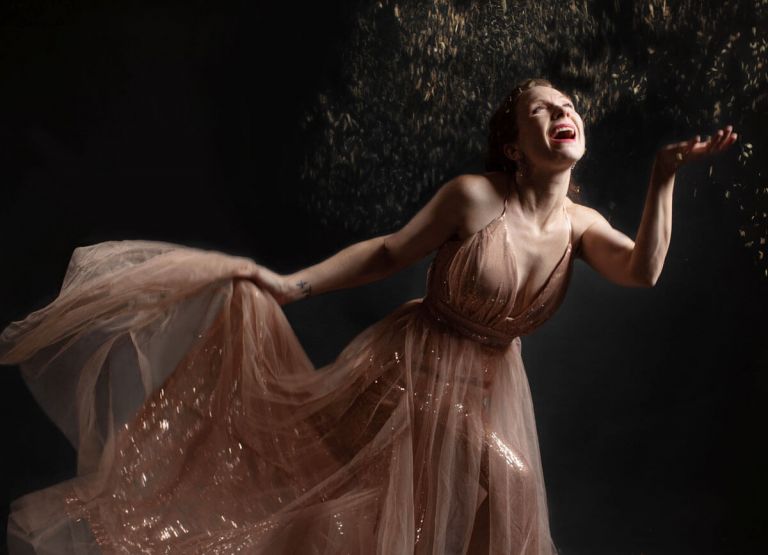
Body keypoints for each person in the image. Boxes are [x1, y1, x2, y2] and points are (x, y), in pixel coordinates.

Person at [0, 78, 736, 554]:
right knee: (490, 500)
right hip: (410, 372)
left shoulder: (581, 225)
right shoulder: (475, 198)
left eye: (567, 104)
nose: (561, 112)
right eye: (539, 109)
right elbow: (388, 252)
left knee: (430, 522)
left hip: (490, 389)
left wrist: (663, 178)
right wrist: (294, 285)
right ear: (514, 144)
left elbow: (644, 268)